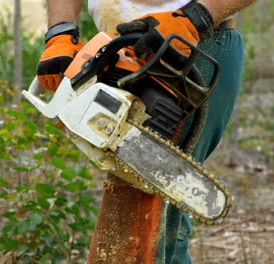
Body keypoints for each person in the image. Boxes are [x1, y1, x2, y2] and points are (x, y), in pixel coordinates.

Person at [36, 0, 256, 263]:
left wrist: (196, 17)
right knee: (138, 223)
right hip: (124, 51)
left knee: (146, 230)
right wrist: (60, 33)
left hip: (190, 46)